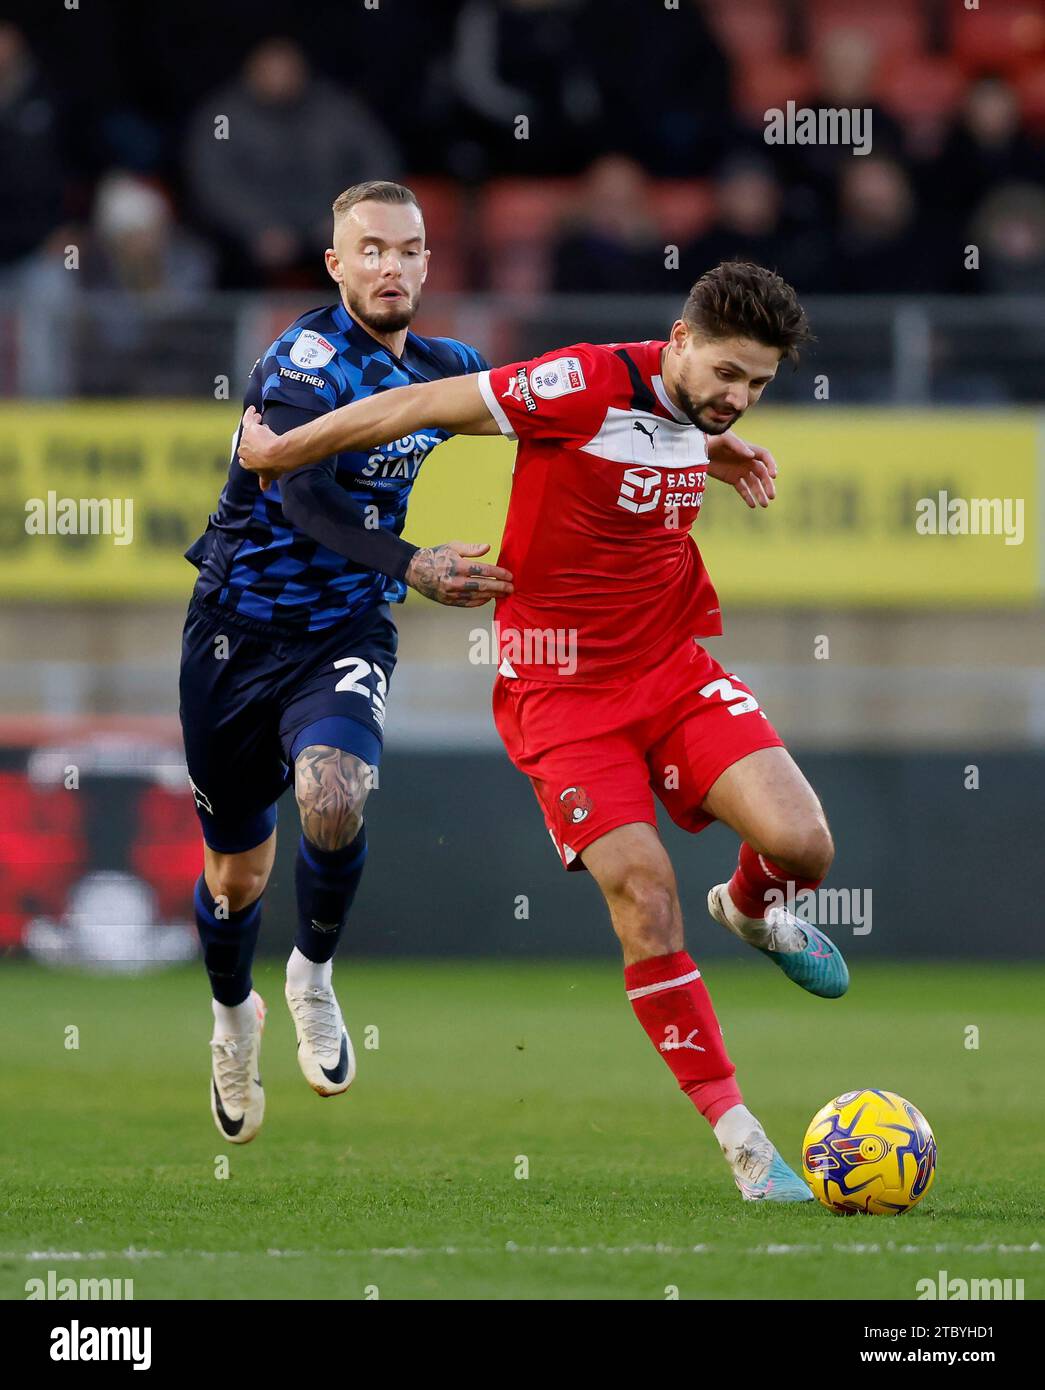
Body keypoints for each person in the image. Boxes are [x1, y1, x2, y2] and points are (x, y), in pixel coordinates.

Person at [236, 259, 850, 1201]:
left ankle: (755, 907)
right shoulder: (580, 385)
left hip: (673, 672)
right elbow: (423, 405)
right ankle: (742, 1140)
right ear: (678, 342)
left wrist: (712, 446)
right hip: (561, 699)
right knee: (644, 897)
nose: (738, 398)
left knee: (804, 845)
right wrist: (283, 449)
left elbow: (671, 435)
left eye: (758, 386)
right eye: (726, 376)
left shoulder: (695, 413)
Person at [180, 180, 506, 1145]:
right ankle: (233, 1017)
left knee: (335, 792)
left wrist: (699, 435)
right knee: (236, 874)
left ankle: (313, 977)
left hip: (344, 632)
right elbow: (303, 502)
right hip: (234, 638)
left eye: (406, 250)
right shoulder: (306, 363)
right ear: (335, 265)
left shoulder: (446, 370)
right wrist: (416, 563)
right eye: (368, 249)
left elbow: (560, 404)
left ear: (427, 264)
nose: (389, 266)